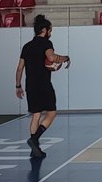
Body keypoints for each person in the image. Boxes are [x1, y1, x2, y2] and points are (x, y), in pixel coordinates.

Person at [15, 15, 69, 158]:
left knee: (36, 115)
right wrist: (65, 58)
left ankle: (35, 150)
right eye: (50, 30)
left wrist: (18, 86)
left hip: (30, 86)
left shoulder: (26, 46)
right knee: (51, 112)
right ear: (45, 30)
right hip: (43, 84)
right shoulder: (47, 43)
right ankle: (34, 139)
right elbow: (51, 58)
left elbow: (20, 68)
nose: (51, 33)